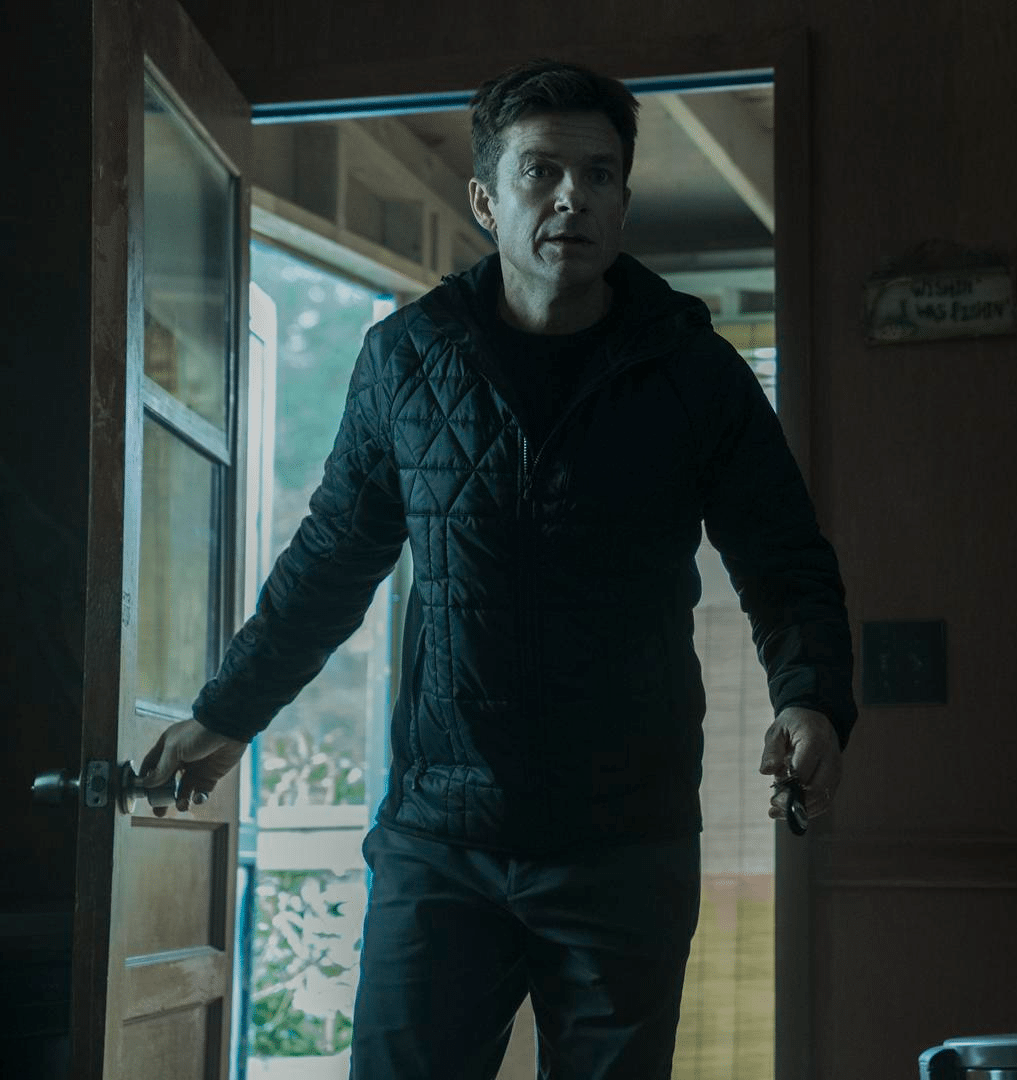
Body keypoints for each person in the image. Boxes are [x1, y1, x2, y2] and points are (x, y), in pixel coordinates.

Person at [137, 57, 856, 1080]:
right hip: (441, 842)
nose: (573, 198)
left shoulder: (694, 371)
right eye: (542, 172)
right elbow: (331, 563)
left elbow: (784, 557)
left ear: (623, 201)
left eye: (599, 175)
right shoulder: (406, 358)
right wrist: (226, 716)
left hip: (626, 841)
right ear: (486, 199)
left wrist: (811, 698)